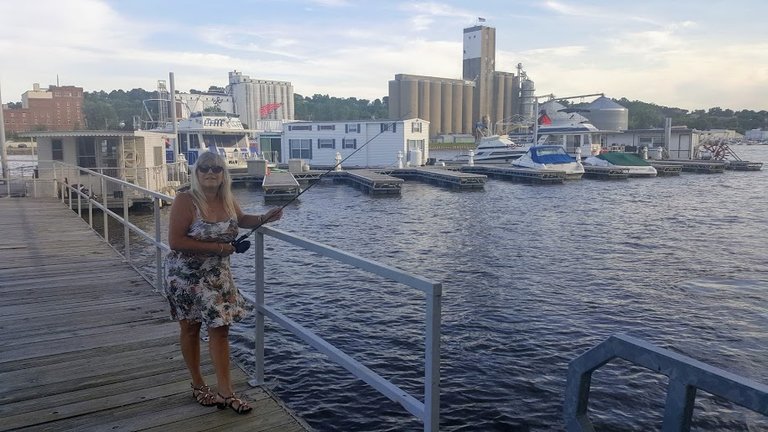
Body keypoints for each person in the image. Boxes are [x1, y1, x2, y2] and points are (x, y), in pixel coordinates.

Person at [164, 151, 282, 414]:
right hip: (186, 276)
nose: (210, 172)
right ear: (196, 173)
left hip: (218, 276)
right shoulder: (185, 200)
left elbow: (240, 221)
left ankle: (226, 392)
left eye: (216, 168)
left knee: (221, 329)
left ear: (223, 174)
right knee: (191, 328)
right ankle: (198, 385)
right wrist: (219, 247)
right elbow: (176, 242)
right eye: (204, 168)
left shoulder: (226, 198)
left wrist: (265, 217)